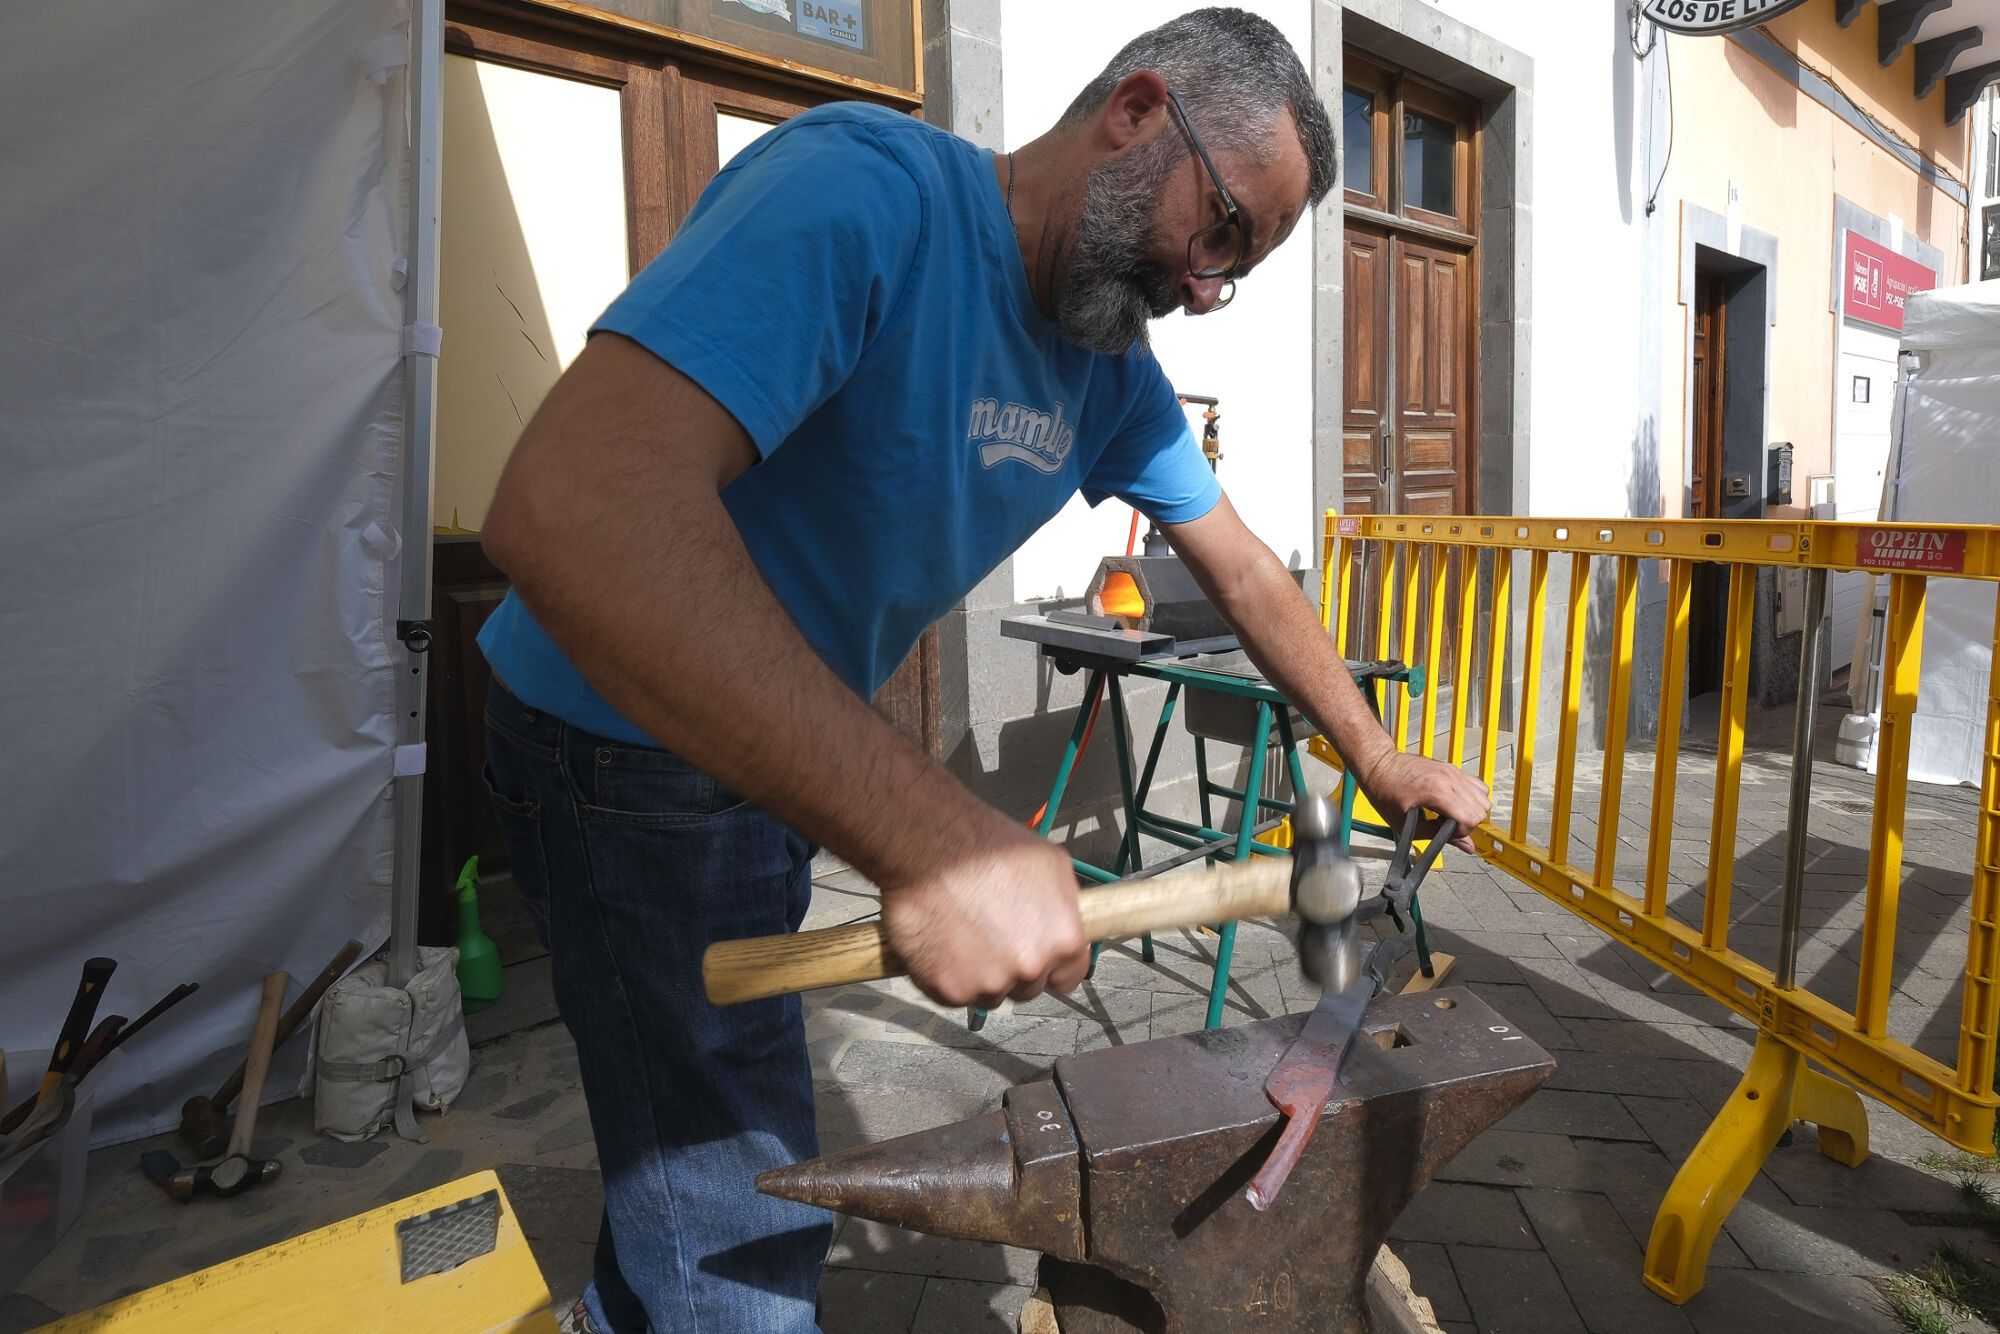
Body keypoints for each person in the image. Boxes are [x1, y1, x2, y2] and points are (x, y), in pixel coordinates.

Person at [476, 8, 1492, 1331]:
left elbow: (1241, 566)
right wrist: (937, 840)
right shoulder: (866, 193)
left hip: (758, 754)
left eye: (1239, 265)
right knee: (738, 1233)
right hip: (612, 746)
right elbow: (571, 508)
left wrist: (1373, 750)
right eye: (1223, 228)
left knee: (686, 1148)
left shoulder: (1112, 373)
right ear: (1137, 111)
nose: (1208, 285)